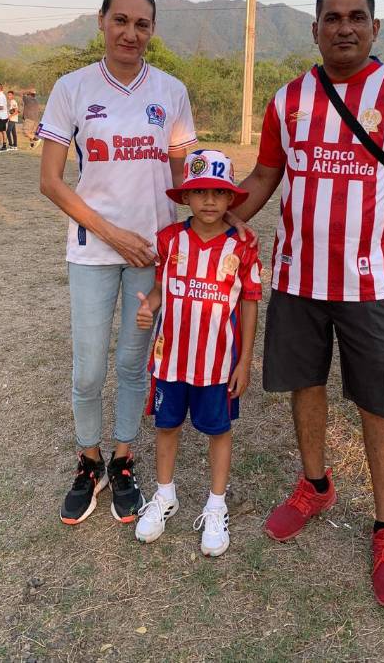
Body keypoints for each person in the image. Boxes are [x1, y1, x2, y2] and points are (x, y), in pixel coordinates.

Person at [231, 0, 384, 610]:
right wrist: (212, 218)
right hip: (296, 277)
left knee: (379, 401)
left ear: (375, 28)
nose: (344, 27)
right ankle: (315, 484)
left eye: (356, 17)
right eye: (332, 17)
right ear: (315, 29)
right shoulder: (288, 99)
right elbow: (267, 175)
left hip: (371, 283)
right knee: (306, 384)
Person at [38, 0, 200, 527]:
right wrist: (112, 233)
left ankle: (125, 459)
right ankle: (89, 463)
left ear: (153, 30)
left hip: (150, 255)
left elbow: (184, 180)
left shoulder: (171, 91)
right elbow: (52, 182)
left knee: (133, 365)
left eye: (143, 24)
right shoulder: (72, 88)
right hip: (92, 251)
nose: (131, 33)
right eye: (121, 20)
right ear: (101, 22)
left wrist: (189, 238)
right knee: (88, 369)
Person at [134, 149, 261, 557]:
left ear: (231, 200)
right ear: (185, 198)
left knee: (218, 431)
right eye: (199, 192)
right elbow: (159, 288)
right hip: (170, 358)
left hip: (219, 363)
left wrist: (244, 360)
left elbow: (250, 302)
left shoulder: (242, 246)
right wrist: (148, 307)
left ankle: (216, 504)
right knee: (166, 426)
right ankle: (165, 494)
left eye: (218, 193)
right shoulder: (170, 241)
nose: (209, 201)